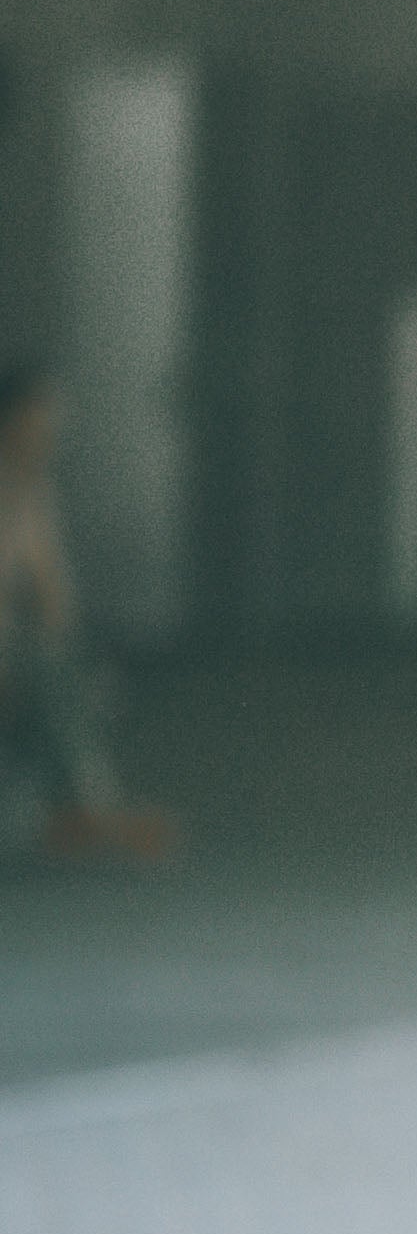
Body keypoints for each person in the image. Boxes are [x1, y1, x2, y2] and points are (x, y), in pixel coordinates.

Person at [0, 365, 179, 865]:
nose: (48, 433)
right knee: (51, 680)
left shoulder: (30, 493)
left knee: (67, 679)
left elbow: (55, 600)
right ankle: (87, 816)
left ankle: (81, 812)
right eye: (38, 420)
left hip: (21, 658)